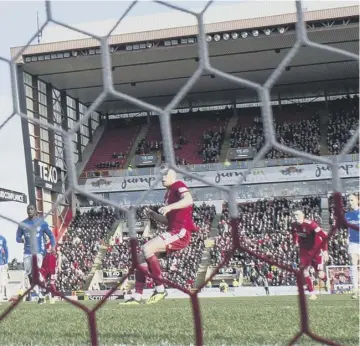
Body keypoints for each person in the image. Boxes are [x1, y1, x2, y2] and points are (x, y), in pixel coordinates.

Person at [124, 166, 196, 305]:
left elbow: (189, 200)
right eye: (161, 175)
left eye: (165, 175)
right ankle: (137, 297)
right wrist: (153, 214)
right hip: (173, 230)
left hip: (181, 232)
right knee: (140, 258)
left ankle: (160, 289)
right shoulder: (168, 194)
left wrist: (169, 207)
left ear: (173, 177)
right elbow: (168, 221)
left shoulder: (178, 185)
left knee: (146, 249)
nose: (162, 178)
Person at [16, 204, 56, 304]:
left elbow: (51, 236)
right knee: (29, 274)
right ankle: (41, 293)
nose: (30, 211)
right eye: (28, 209)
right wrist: (20, 240)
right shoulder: (22, 224)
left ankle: (42, 293)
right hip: (27, 252)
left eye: (32, 209)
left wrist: (53, 246)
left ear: (35, 211)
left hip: (39, 251)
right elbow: (17, 237)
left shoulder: (42, 223)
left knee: (36, 270)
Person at [292, 209, 328, 300]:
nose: (295, 217)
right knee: (304, 271)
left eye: (297, 215)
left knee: (319, 274)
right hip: (304, 251)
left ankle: (325, 279)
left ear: (302, 216)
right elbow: (295, 234)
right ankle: (312, 293)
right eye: (294, 215)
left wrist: (325, 251)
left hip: (316, 250)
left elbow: (324, 236)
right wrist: (295, 243)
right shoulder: (293, 225)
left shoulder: (311, 224)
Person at [345, 194, 360, 299]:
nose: (350, 202)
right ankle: (355, 289)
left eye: (352, 200)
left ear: (357, 200)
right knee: (353, 262)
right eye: (348, 200)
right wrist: (346, 237)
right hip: (353, 242)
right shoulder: (347, 215)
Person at [0, 234, 9, 302]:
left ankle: (2, 295)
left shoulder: (2, 238)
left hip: (1, 263)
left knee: (2, 281)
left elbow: (6, 251)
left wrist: (6, 262)